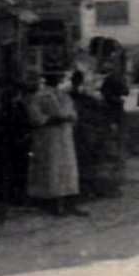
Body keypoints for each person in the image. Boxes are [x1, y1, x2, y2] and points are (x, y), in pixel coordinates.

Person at [25, 71, 86, 216]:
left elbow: (73, 114)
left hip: (64, 136)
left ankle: (70, 202)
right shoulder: (39, 96)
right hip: (48, 137)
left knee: (68, 169)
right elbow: (35, 117)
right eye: (52, 77)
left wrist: (69, 118)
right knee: (51, 169)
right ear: (46, 79)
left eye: (57, 77)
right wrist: (54, 119)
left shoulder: (64, 96)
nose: (55, 80)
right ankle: (52, 204)